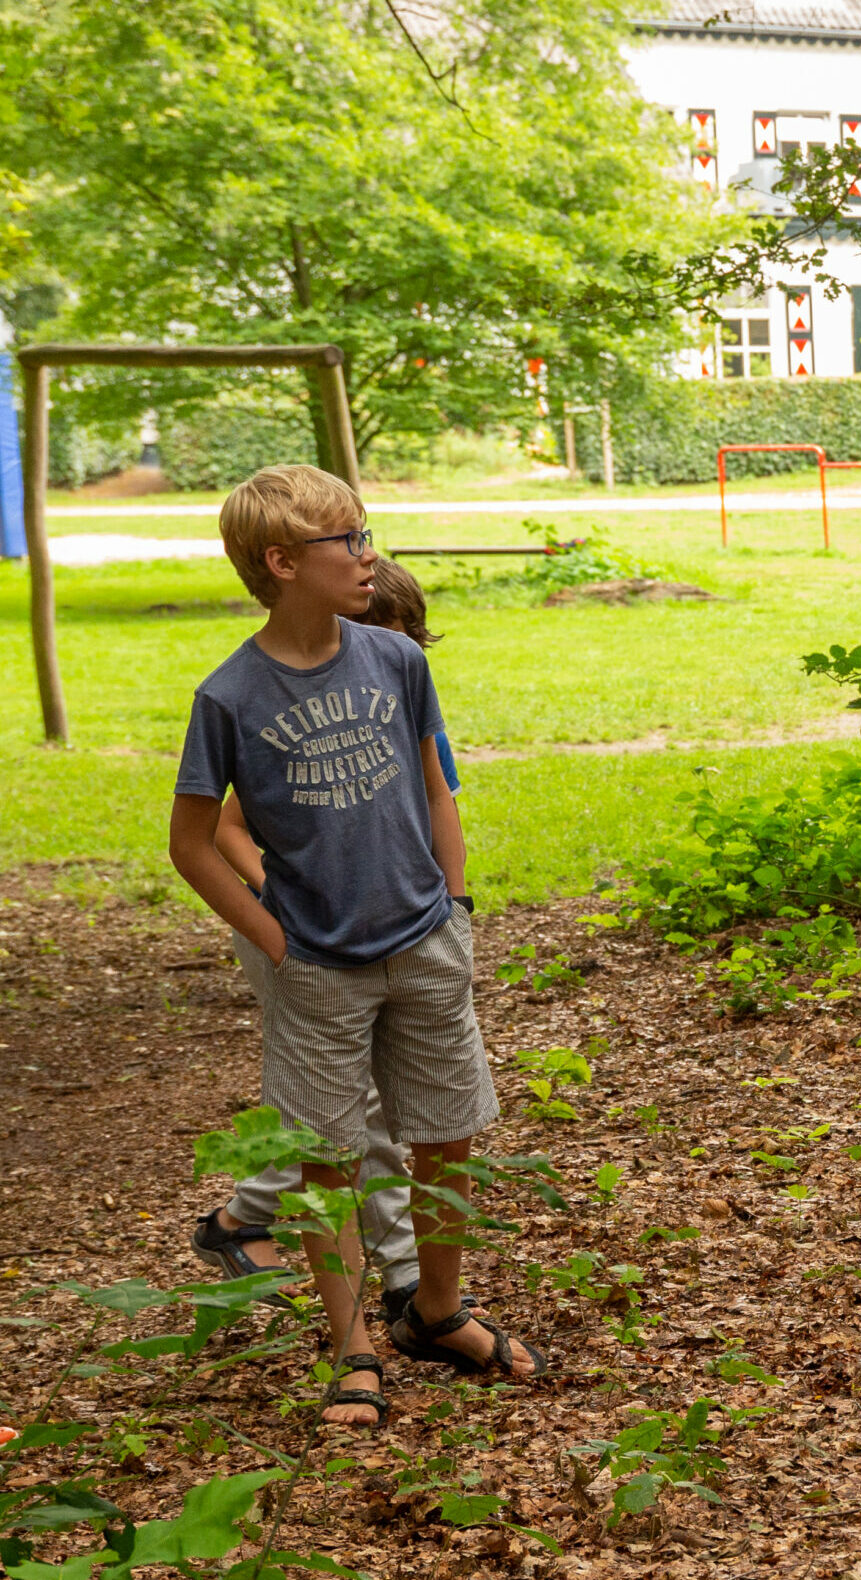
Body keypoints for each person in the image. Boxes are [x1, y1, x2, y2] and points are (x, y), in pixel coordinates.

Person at [169, 465, 543, 1430]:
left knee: (445, 1136)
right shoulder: (230, 697)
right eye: (351, 541)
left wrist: (455, 907)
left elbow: (434, 790)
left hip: (424, 942)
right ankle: (353, 1352)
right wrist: (275, 942)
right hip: (319, 970)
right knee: (329, 1159)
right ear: (282, 562)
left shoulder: (396, 661)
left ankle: (436, 1311)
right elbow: (191, 841)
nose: (369, 553)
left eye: (366, 533)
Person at [188, 558, 463, 1332]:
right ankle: (404, 1274)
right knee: (350, 1115)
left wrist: (454, 905)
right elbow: (225, 827)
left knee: (349, 1106)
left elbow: (430, 809)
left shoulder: (402, 705)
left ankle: (239, 1219)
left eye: (398, 641)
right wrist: (280, 903)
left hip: (398, 929)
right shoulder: (256, 700)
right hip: (302, 931)